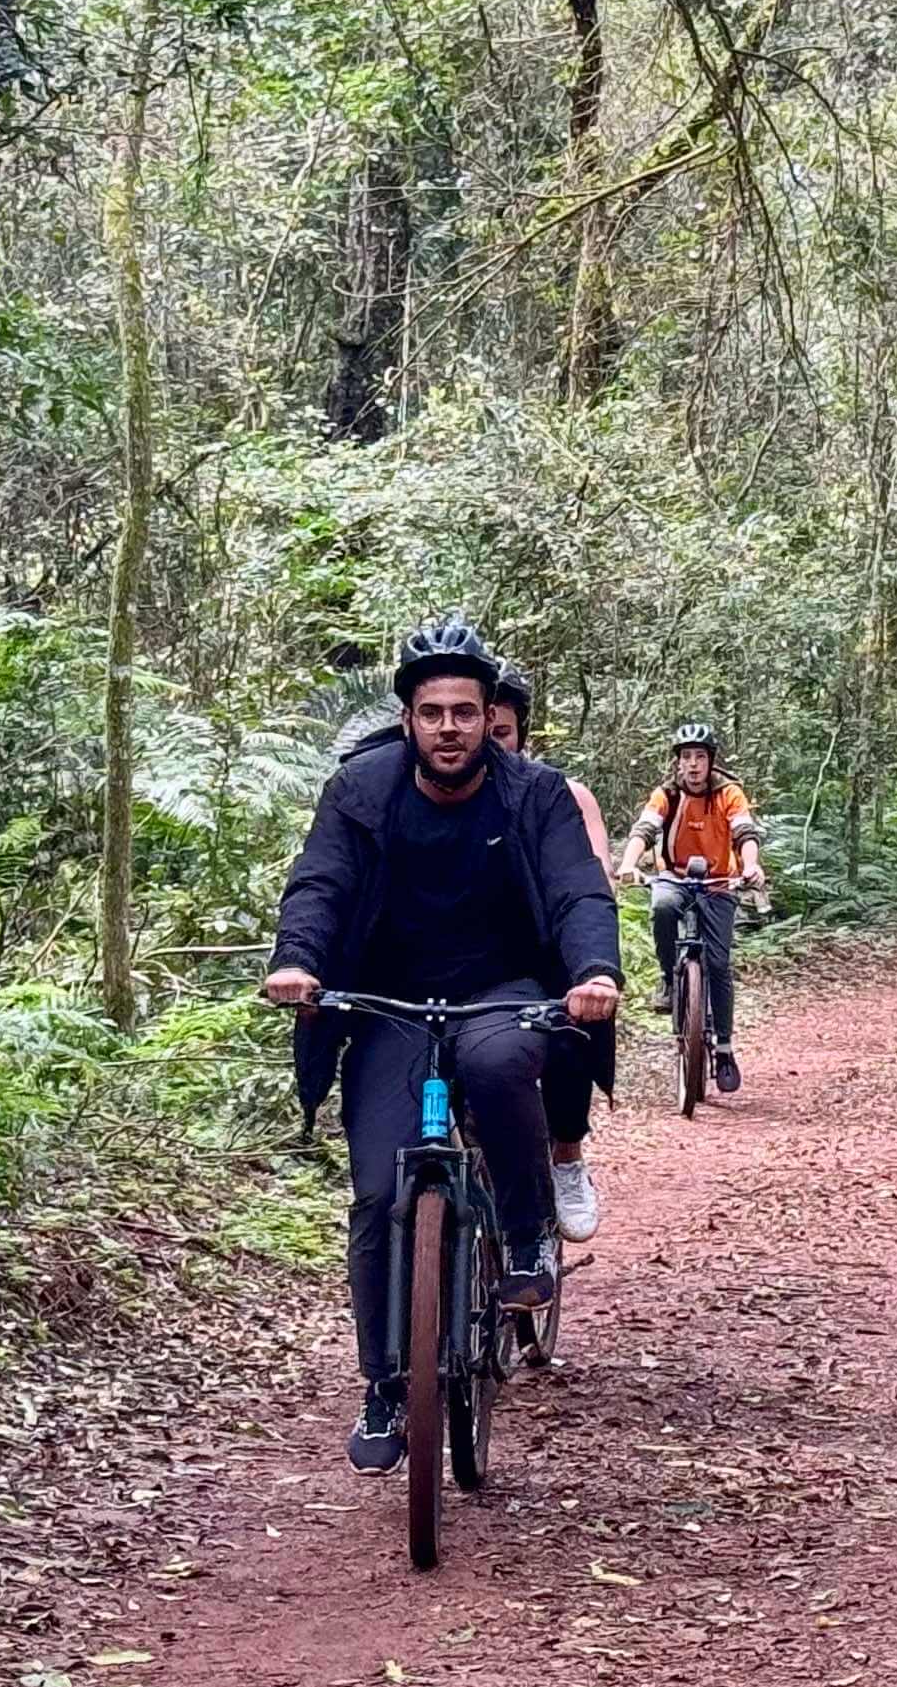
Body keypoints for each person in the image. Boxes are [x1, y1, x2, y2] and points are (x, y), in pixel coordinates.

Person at [265, 618, 619, 1473]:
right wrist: (298, 961)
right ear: (409, 718)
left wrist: (595, 970)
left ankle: (528, 1234)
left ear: (489, 714)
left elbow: (577, 891)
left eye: (467, 711)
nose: (452, 728)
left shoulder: (534, 794)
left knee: (500, 1065)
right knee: (377, 1187)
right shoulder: (361, 790)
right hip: (388, 1001)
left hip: (500, 990)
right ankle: (386, 1388)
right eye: (434, 713)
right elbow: (321, 882)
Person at [488, 668, 614, 1245]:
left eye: (502, 730)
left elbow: (592, 879)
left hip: (549, 949)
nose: (487, 741)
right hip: (475, 962)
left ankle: (566, 1155)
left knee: (576, 1020)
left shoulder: (558, 793)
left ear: (522, 736)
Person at [615, 721, 763, 1095]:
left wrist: (750, 866)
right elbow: (644, 830)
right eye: (686, 758)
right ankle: (668, 977)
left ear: (711, 761)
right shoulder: (667, 794)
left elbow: (745, 833)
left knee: (718, 963)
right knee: (663, 906)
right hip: (675, 878)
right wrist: (629, 864)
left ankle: (725, 1046)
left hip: (719, 882)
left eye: (700, 757)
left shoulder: (729, 793)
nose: (693, 765)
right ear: (677, 763)